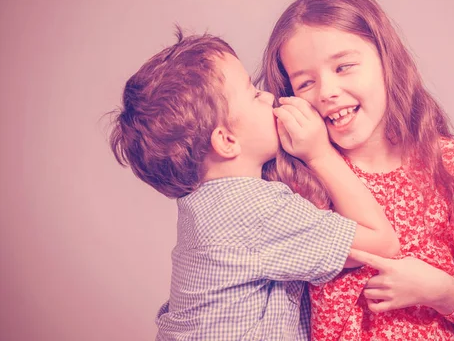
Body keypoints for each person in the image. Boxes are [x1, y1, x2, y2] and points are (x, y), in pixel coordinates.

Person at [108, 27, 399, 340]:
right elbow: (382, 244)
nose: (270, 97)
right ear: (227, 140)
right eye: (254, 93)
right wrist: (320, 154)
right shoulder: (255, 208)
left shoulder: (201, 205)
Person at [258, 0, 454, 340]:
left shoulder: (452, 163)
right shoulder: (297, 178)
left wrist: (440, 290)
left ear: (386, 61)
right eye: (305, 83)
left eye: (344, 67)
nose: (327, 91)